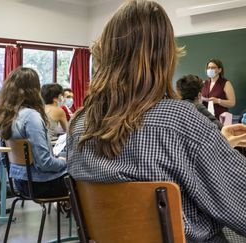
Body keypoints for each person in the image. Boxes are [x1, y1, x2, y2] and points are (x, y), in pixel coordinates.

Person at [67, 1, 246, 242]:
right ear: (166, 57)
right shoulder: (181, 120)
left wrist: (211, 145)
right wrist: (211, 147)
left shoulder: (78, 124)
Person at [0, 67, 68, 198]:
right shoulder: (31, 117)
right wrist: (65, 161)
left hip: (19, 182)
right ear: (34, 90)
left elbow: (4, 159)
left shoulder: (6, 116)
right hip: (41, 184)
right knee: (81, 173)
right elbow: (45, 164)